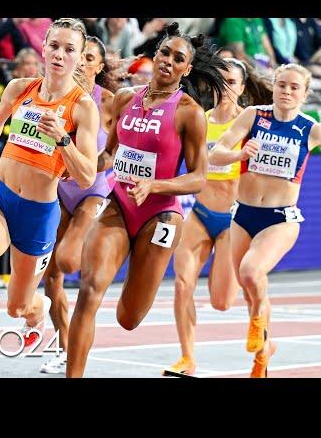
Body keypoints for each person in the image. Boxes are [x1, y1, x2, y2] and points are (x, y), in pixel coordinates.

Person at [0, 18, 100, 377]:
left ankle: (36, 308)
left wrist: (63, 139)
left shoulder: (83, 107)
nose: (59, 54)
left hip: (38, 213)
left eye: (69, 49)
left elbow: (87, 174)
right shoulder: (20, 88)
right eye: (54, 46)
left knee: (17, 307)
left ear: (78, 58)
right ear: (43, 47)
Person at [66, 22, 229, 377]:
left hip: (160, 217)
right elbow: (107, 157)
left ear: (187, 68)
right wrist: (76, 166)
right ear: (155, 56)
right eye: (165, 53)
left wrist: (154, 186)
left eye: (178, 58)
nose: (169, 61)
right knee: (90, 289)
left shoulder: (189, 113)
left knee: (129, 317)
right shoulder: (126, 98)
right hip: (118, 205)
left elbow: (199, 177)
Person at [208, 63, 321, 377]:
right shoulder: (253, 116)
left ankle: (259, 325)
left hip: (280, 218)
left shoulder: (311, 128)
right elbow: (215, 153)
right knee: (250, 290)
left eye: (294, 87)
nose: (286, 92)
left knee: (250, 272)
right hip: (243, 214)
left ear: (304, 94)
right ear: (273, 87)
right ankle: (263, 355)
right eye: (282, 85)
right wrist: (239, 154)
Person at [164, 57, 273, 376]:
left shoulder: (249, 123)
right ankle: (187, 358)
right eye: (220, 80)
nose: (225, 87)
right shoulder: (201, 119)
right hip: (199, 213)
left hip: (232, 221)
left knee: (223, 302)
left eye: (232, 82)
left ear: (241, 88)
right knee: (182, 282)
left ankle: (266, 342)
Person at [38, 36, 115, 374]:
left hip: (93, 191)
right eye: (77, 56)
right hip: (61, 189)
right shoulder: (58, 95)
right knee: (50, 276)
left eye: (89, 58)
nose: (81, 62)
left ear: (99, 66)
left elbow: (120, 151)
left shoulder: (109, 102)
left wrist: (93, 165)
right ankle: (65, 345)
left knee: (68, 260)